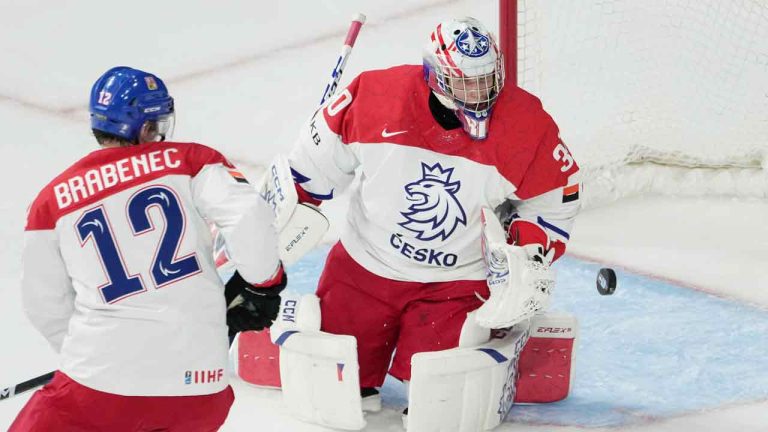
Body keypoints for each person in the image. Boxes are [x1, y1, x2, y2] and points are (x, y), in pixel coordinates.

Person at [285, 17, 581, 405]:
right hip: (365, 269)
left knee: (440, 398)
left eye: (486, 78)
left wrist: (523, 251)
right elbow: (309, 170)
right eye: (465, 81)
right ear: (435, 76)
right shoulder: (377, 96)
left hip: (456, 283)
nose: (479, 92)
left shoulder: (526, 125)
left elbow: (556, 199)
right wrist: (286, 210)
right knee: (340, 389)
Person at [11, 66, 285, 432]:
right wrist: (262, 285)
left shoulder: (51, 203)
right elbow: (249, 214)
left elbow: (44, 304)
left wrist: (90, 360)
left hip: (99, 390)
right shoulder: (192, 161)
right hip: (202, 390)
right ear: (143, 127)